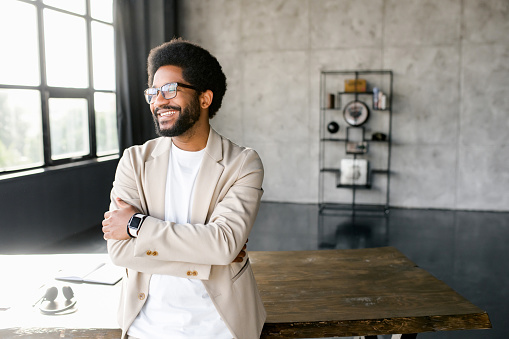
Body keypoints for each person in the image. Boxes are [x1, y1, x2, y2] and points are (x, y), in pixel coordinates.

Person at [101, 38, 266, 339]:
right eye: (152, 92)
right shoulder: (135, 161)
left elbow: (223, 244)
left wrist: (136, 225)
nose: (158, 101)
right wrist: (210, 253)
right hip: (145, 328)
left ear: (204, 99)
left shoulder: (243, 164)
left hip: (221, 328)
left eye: (170, 90)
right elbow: (120, 251)